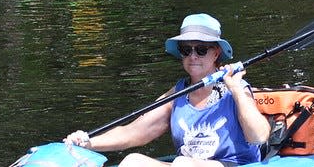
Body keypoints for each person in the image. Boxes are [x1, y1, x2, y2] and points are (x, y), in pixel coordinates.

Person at [63, 13, 271, 167]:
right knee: (132, 161)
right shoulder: (177, 94)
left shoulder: (237, 87)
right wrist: (88, 143)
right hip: (187, 165)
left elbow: (259, 136)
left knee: (183, 164)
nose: (193, 56)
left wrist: (234, 88)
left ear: (216, 53)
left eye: (200, 49)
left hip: (233, 165)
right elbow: (134, 132)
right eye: (186, 49)